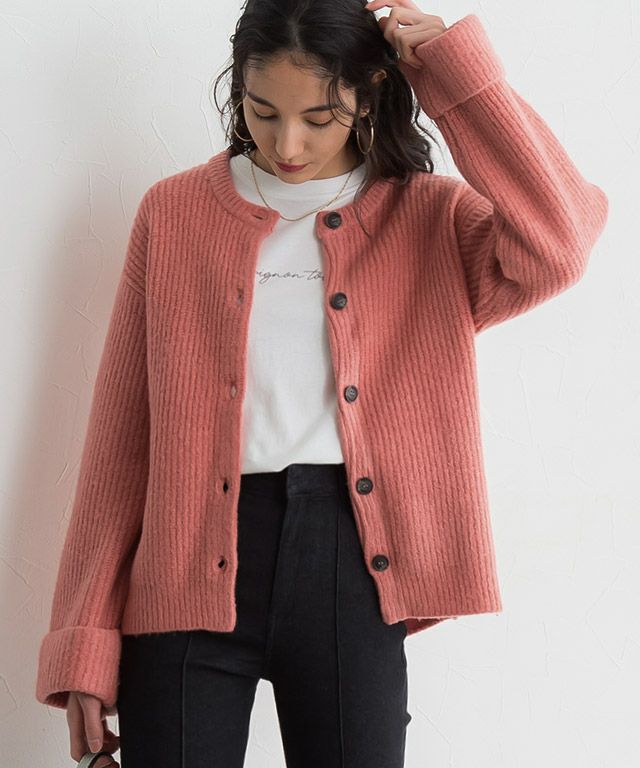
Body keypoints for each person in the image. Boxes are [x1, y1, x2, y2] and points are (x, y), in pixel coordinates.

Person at [35, 1, 609, 766]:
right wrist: (82, 641)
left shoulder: (429, 219)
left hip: (351, 565)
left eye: (319, 116)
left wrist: (457, 73)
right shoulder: (173, 214)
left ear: (369, 95)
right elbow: (120, 444)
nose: (287, 144)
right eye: (262, 110)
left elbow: (561, 241)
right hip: (183, 571)